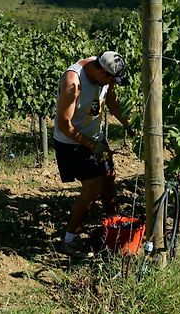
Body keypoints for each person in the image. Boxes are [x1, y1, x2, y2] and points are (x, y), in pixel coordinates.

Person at [53, 51, 132, 257]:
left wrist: (128, 124)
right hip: (73, 143)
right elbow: (64, 124)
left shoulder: (106, 75)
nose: (111, 84)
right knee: (92, 188)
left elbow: (112, 101)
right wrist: (91, 144)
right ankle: (70, 239)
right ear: (101, 71)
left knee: (108, 178)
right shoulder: (73, 82)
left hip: (95, 138)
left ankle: (113, 226)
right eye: (110, 80)